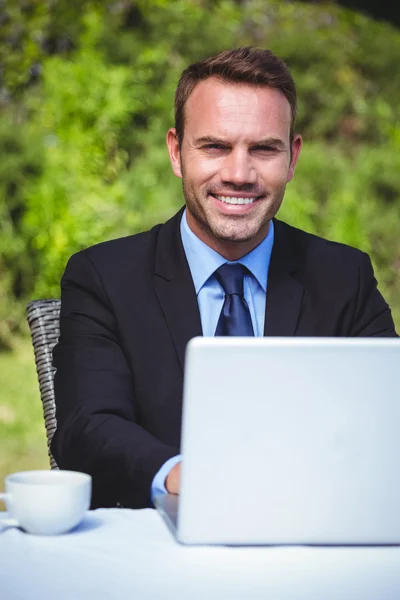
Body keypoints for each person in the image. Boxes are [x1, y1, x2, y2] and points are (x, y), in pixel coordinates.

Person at [51, 47, 398, 509]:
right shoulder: (103, 277)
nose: (238, 174)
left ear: (292, 158)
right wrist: (188, 479)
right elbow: (87, 426)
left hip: (311, 535)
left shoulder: (344, 276)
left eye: (263, 148)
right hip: (156, 544)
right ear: (177, 152)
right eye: (214, 147)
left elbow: (387, 417)